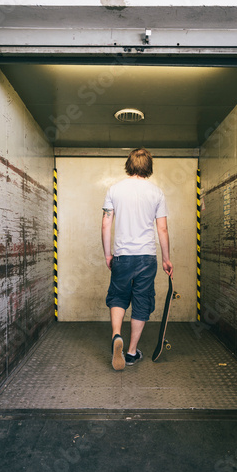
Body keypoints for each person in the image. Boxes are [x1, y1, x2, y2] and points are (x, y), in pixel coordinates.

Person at [101, 148, 173, 371]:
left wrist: (108, 254)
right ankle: (131, 352)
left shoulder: (114, 190)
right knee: (142, 301)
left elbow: (106, 224)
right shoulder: (156, 193)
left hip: (122, 256)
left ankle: (116, 336)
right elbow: (162, 229)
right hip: (146, 257)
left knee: (118, 296)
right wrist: (166, 259)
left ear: (129, 164)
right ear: (148, 166)